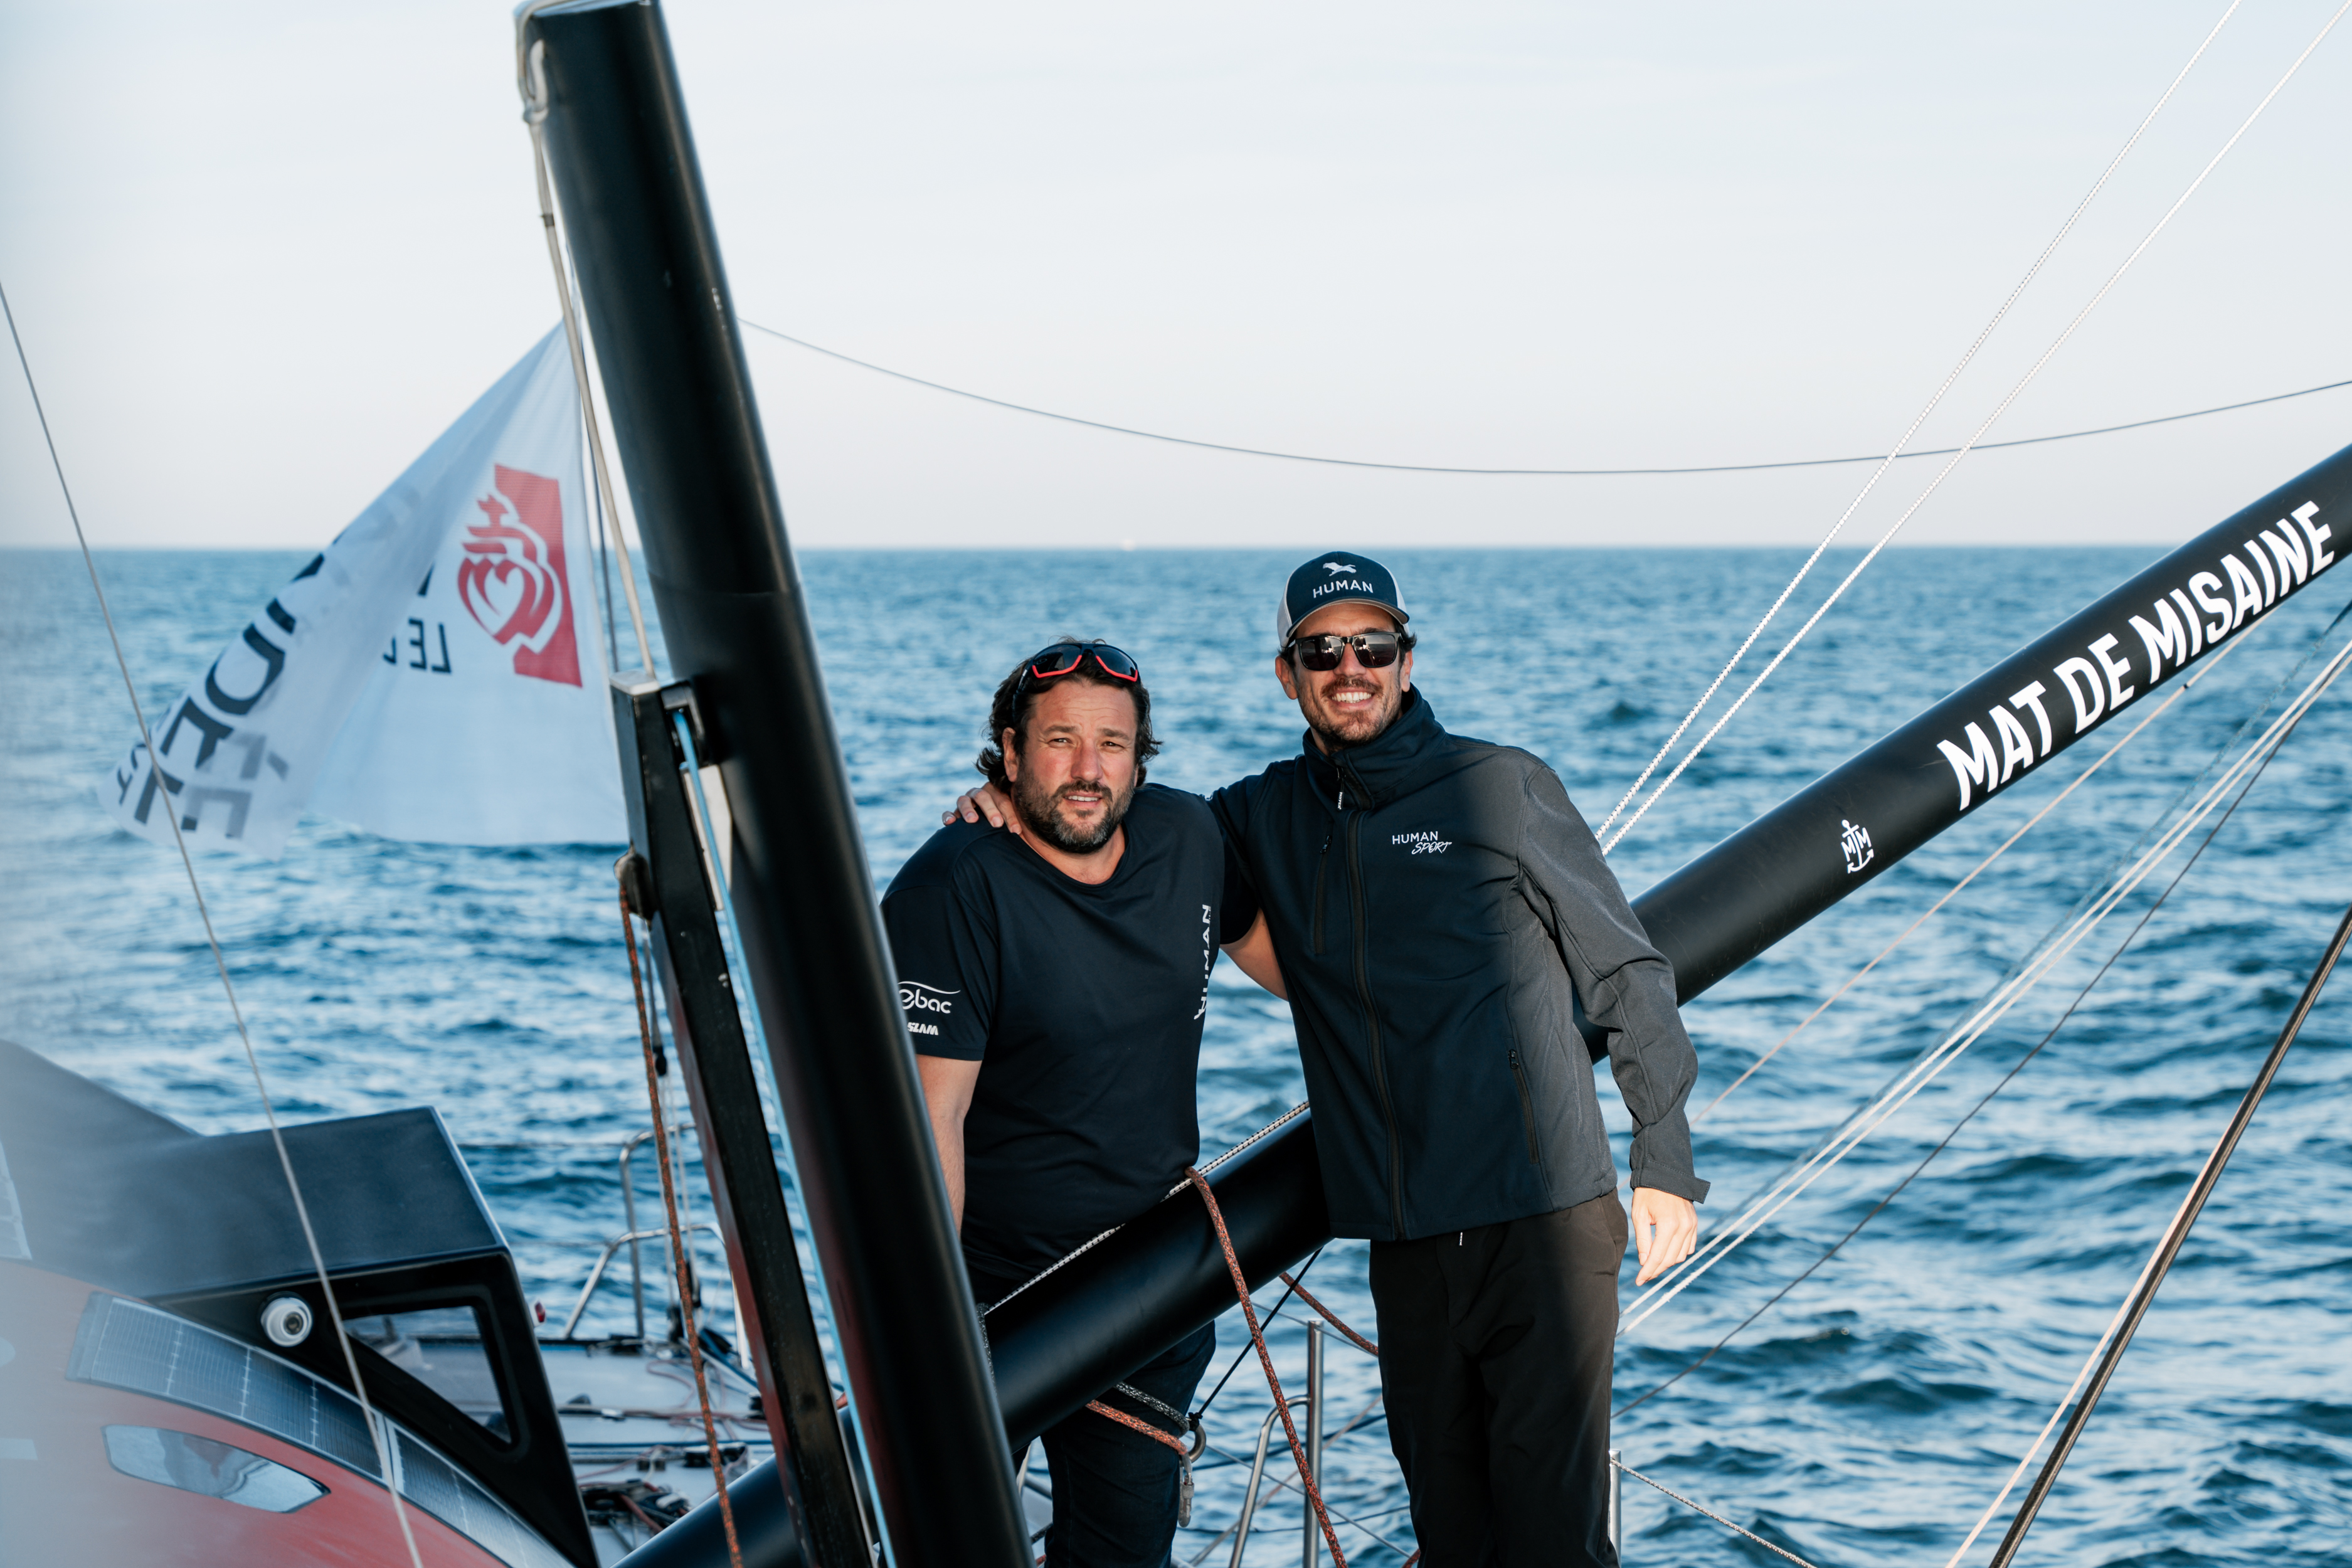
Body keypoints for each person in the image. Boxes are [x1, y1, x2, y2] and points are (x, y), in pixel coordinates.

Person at [951, 558, 1705, 1567]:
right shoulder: (1255, 815)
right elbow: (1110, 815)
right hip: (1403, 1241)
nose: (1348, 667)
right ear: (1286, 672)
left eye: (1370, 646)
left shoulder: (1500, 785)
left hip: (1543, 1222)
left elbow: (1626, 971)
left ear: (1403, 658)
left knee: (1551, 1540)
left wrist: (1664, 1161)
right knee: (1450, 1533)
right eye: (1321, 651)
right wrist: (998, 797)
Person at [884, 639, 1281, 1568]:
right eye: (1059, 740)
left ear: (1141, 758)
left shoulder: (1188, 838)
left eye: (1112, 743)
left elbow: (1295, 975)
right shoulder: (952, 886)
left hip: (1146, 1287)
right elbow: (929, 1121)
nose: (1087, 769)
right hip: (991, 1296)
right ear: (1010, 754)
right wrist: (932, 1335)